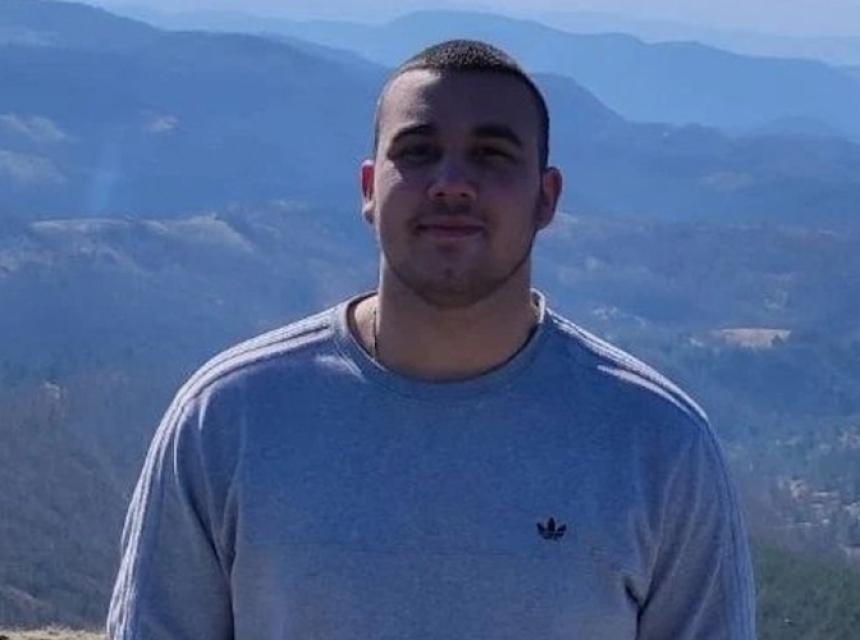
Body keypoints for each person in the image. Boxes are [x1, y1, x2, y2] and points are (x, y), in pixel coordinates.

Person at [107, 40, 756, 639]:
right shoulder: (228, 419)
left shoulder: (659, 445)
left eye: (492, 154)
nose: (451, 182)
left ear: (546, 197)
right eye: (417, 151)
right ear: (369, 189)